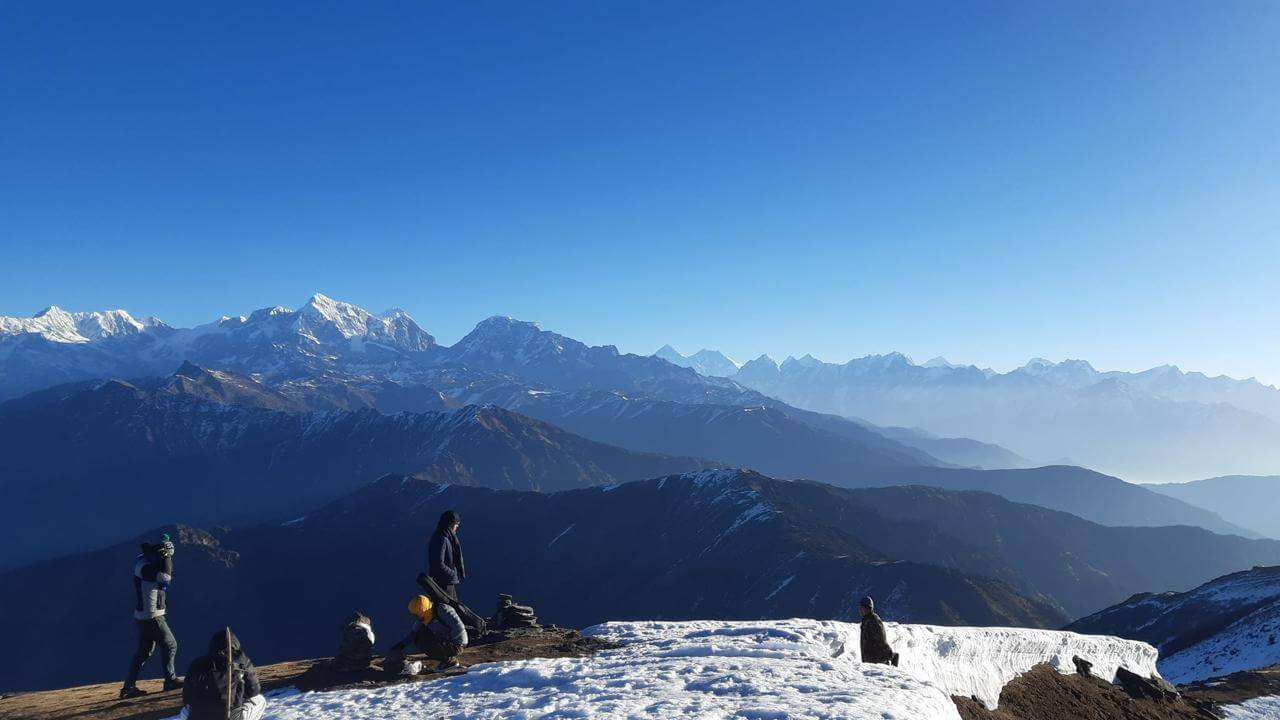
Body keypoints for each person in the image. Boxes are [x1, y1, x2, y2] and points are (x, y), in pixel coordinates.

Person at [121, 535, 182, 698]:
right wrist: (167, 556)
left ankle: (128, 687)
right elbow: (166, 578)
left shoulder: (145, 565)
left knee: (143, 652)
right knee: (170, 645)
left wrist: (165, 554)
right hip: (152, 617)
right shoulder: (144, 568)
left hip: (144, 617)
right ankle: (170, 680)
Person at [178, 630, 266, 720]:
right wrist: (237, 695)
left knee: (184, 711)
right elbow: (254, 690)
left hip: (198, 717)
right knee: (260, 700)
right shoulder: (242, 661)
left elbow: (187, 697)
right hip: (231, 716)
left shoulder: (198, 664)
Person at [388, 594, 469, 671]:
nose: (416, 617)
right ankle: (446, 659)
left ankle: (450, 661)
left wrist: (453, 643)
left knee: (425, 642)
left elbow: (458, 627)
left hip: (457, 644)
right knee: (419, 637)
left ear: (422, 610)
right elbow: (413, 633)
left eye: (417, 615)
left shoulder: (441, 610)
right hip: (446, 641)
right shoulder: (424, 617)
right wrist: (401, 645)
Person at [427, 510, 465, 601]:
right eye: (456, 525)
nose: (456, 528)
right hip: (444, 584)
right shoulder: (442, 539)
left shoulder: (443, 536)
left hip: (444, 581)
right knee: (451, 611)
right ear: (451, 524)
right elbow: (438, 564)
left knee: (454, 609)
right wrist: (453, 573)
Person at [858, 596, 898, 666]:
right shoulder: (866, 620)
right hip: (870, 661)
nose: (860, 610)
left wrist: (889, 654)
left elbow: (881, 640)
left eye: (862, 607)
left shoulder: (873, 621)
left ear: (867, 608)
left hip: (877, 661)